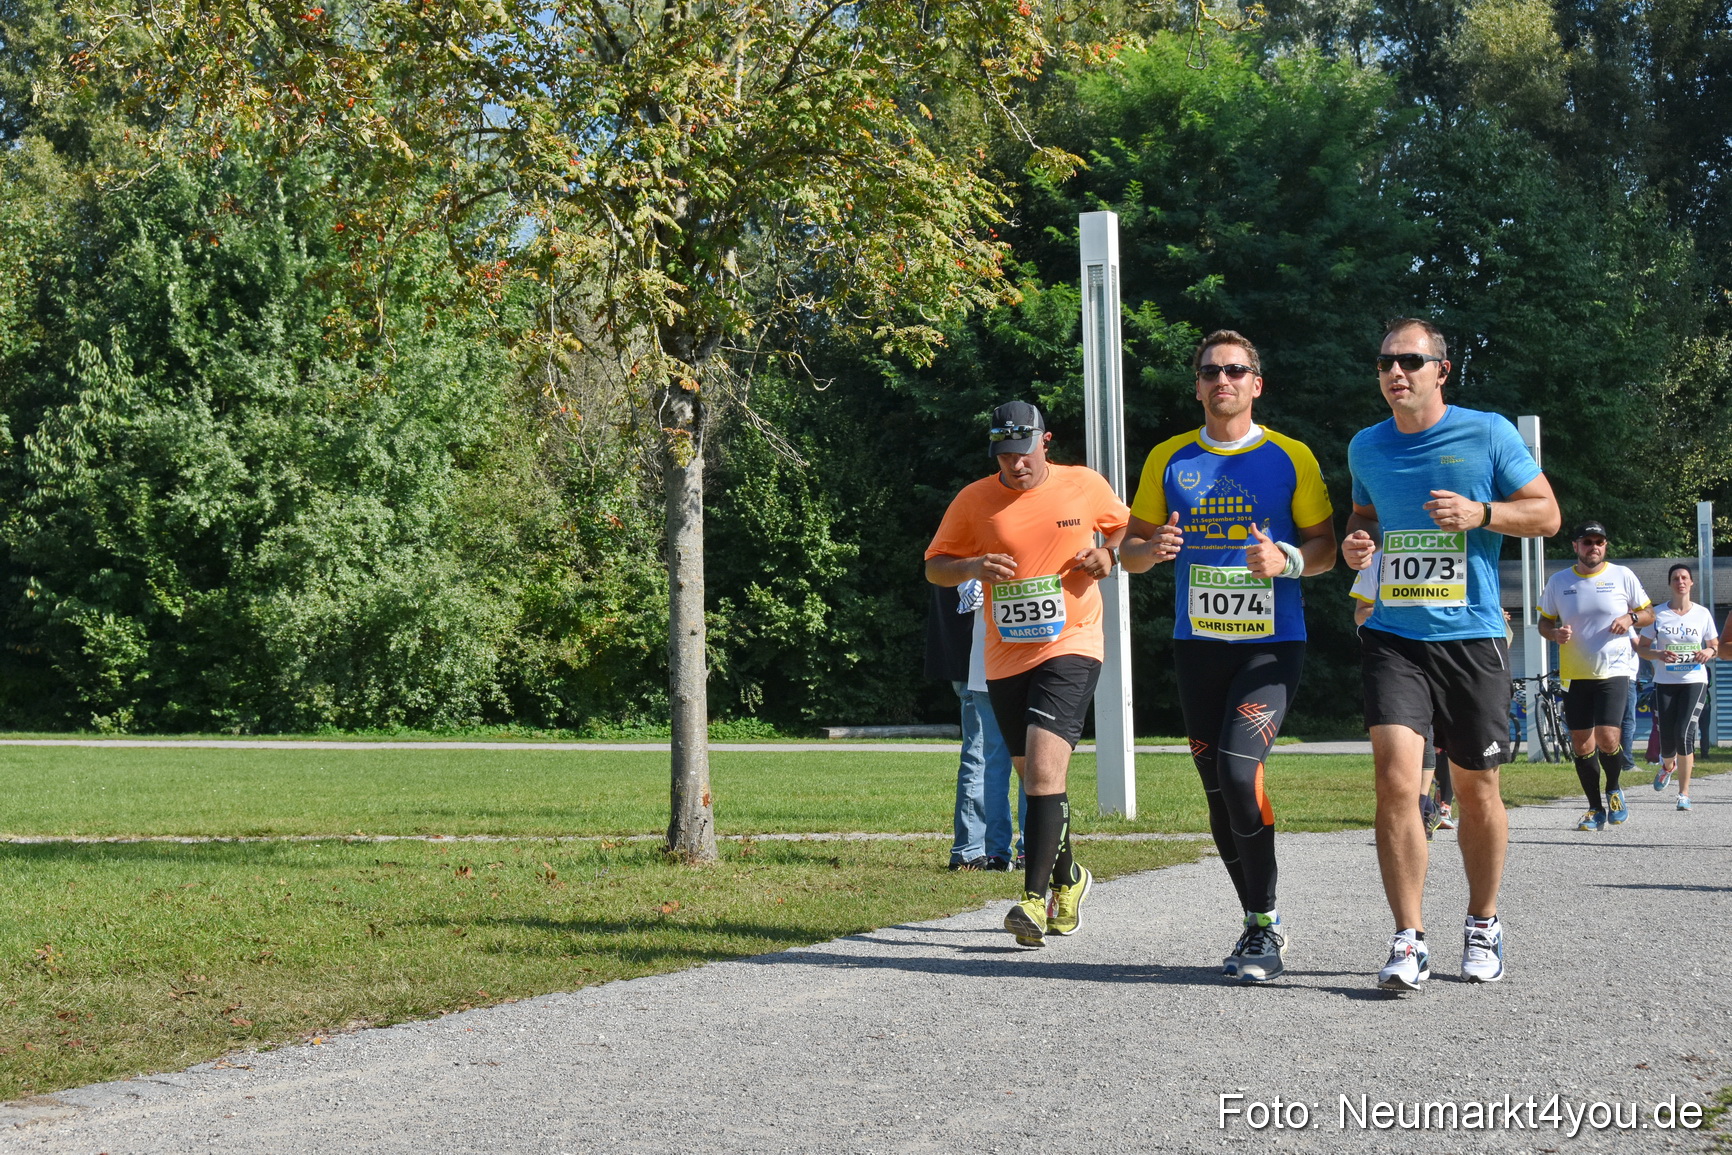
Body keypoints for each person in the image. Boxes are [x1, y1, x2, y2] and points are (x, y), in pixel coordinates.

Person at [1343, 317, 1559, 991]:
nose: (1394, 371)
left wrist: (1483, 514)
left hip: (1472, 636)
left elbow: (1546, 512)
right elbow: (1365, 518)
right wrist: (1358, 544)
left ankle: (1483, 920)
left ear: (1442, 368)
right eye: (1384, 361)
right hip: (1394, 634)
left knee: (1476, 786)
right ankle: (1408, 938)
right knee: (1395, 780)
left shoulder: (1488, 431)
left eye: (1409, 359)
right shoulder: (1366, 446)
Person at [1118, 330, 1335, 983]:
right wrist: (1152, 550)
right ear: (1198, 384)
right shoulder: (1169, 458)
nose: (1223, 380)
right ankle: (1254, 920)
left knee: (1242, 771)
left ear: (1256, 383)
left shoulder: (1290, 456)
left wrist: (1287, 559)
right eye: (1211, 371)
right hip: (1199, 646)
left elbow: (1325, 546)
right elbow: (1127, 550)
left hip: (1272, 645)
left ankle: (1264, 925)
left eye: (1236, 370)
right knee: (1217, 789)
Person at [925, 401, 1129, 947]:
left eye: (1023, 452)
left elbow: (1126, 534)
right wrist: (970, 566)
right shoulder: (975, 500)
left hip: (1072, 643)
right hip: (1005, 656)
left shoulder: (1083, 485)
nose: (1015, 465)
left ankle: (1033, 899)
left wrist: (1106, 556)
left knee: (1042, 768)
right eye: (1004, 455)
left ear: (1046, 442)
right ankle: (1071, 878)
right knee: (1037, 778)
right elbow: (935, 565)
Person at [1537, 522, 1654, 830]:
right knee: (1581, 743)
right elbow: (1543, 623)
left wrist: (1629, 617)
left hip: (1614, 669)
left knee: (1607, 735)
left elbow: (1648, 613)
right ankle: (1594, 808)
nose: (1594, 547)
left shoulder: (1622, 575)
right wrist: (1555, 633)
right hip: (1575, 674)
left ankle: (1614, 788)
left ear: (1606, 545)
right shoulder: (1559, 581)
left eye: (1599, 541)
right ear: (1576, 546)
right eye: (1587, 542)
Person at [1351, 559, 1453, 840]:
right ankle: (1420, 807)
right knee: (1419, 732)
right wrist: (1398, 608)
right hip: (1397, 658)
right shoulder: (1378, 558)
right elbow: (1360, 613)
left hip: (1451, 653)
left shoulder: (1458, 548)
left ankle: (1431, 804)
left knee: (1458, 751)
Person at [923, 581, 1017, 870]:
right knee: (983, 757)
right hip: (980, 660)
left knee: (980, 756)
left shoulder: (950, 543)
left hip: (968, 659)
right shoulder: (975, 542)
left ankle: (974, 848)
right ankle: (973, 849)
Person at [1636, 563, 1717, 811]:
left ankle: (1683, 794)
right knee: (1668, 739)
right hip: (1665, 683)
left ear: (1691, 583)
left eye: (1684, 578)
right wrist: (1659, 653)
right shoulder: (1658, 614)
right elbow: (1641, 648)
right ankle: (1667, 766)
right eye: (1675, 578)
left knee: (1685, 734)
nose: (1680, 581)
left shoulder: (1702, 614)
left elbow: (1714, 646)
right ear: (1670, 584)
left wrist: (1707, 651)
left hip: (1694, 681)